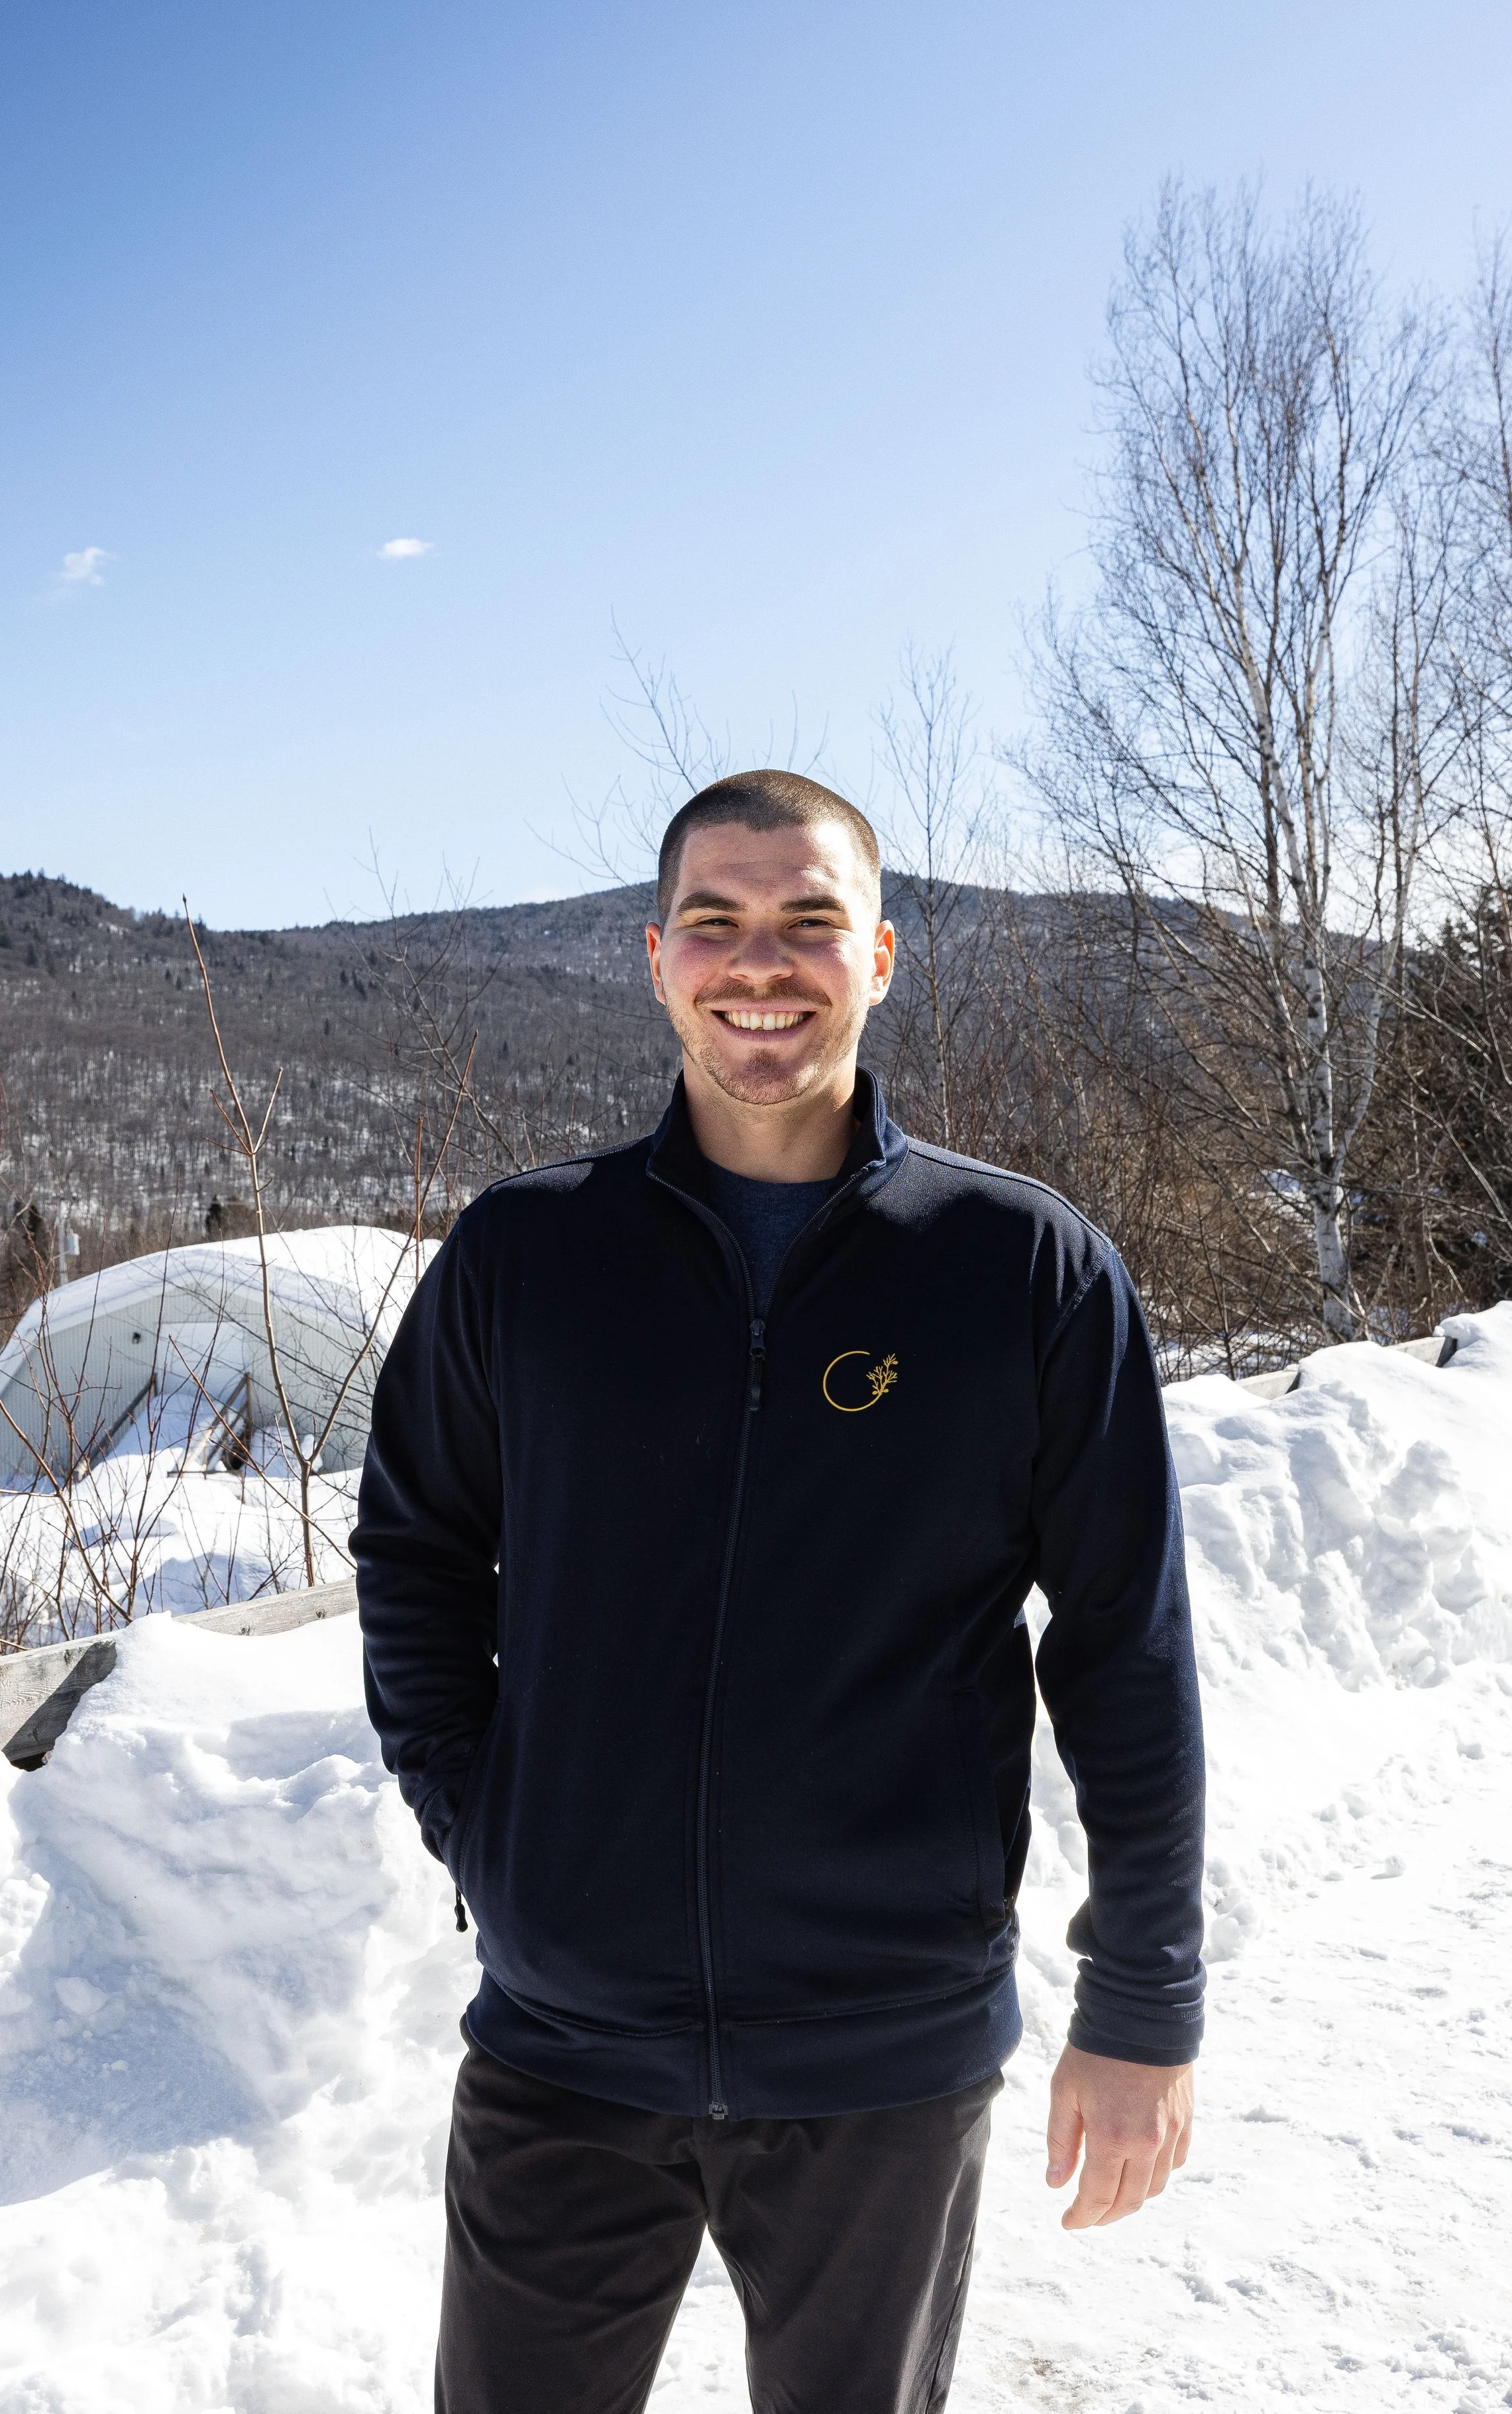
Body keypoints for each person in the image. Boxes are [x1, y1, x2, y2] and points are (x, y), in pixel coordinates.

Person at [352, 772, 1205, 2414]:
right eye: (718, 924)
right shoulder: (526, 1258)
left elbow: (1122, 1648)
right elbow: (414, 1552)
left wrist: (1143, 1999)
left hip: (884, 2059)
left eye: (809, 923)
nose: (763, 964)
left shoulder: (1019, 1273)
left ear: (878, 956)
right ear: (654, 955)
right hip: (562, 2048)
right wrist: (489, 1826)